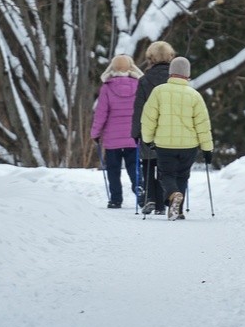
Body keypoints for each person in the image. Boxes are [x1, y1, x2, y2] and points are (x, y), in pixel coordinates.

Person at [141, 56, 214, 220]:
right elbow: (202, 124)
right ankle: (178, 210)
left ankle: (174, 195)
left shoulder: (159, 92)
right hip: (189, 146)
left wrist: (147, 138)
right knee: (182, 175)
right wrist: (207, 149)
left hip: (164, 144)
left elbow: (149, 118)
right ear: (187, 75)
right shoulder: (194, 96)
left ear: (170, 73)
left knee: (166, 175)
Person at [90, 54, 144, 209]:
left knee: (113, 170)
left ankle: (115, 199)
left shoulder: (107, 87)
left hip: (112, 140)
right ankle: (140, 190)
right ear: (131, 67)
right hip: (133, 137)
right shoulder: (138, 85)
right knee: (134, 167)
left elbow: (101, 113)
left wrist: (95, 133)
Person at [131, 40, 176, 215]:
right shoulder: (176, 80)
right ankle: (164, 200)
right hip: (170, 129)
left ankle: (150, 198)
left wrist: (135, 132)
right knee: (165, 166)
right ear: (170, 57)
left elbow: (139, 108)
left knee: (148, 164)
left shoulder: (144, 81)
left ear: (150, 58)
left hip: (149, 129)